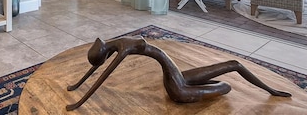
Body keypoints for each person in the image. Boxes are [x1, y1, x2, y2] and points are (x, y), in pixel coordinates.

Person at [66, 36, 291, 111]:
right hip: (178, 89)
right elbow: (102, 74)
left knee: (234, 64)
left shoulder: (116, 44)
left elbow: (97, 68)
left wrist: (77, 87)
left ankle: (271, 91)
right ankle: (223, 87)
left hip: (177, 74)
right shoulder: (120, 49)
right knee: (225, 87)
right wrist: (79, 98)